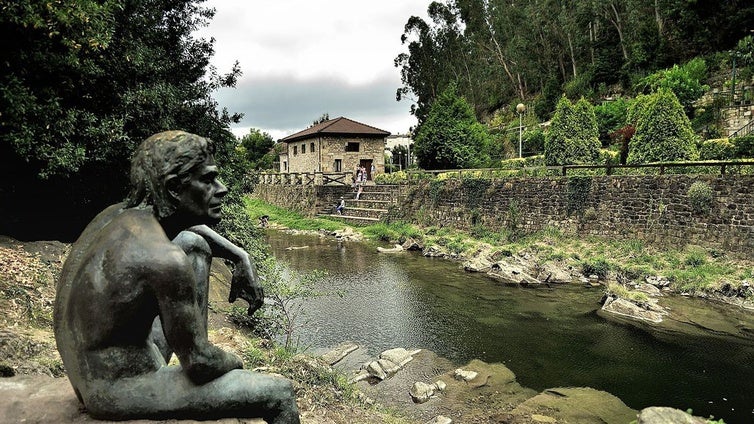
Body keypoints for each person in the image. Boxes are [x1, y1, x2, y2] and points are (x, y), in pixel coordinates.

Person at [53, 131, 300, 423]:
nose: (221, 189)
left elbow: (188, 227)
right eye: (208, 180)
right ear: (173, 188)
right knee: (280, 394)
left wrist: (238, 254)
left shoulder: (114, 215)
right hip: (118, 387)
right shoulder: (165, 260)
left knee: (194, 244)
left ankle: (195, 343)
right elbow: (201, 365)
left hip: (87, 370)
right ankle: (197, 347)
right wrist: (235, 364)